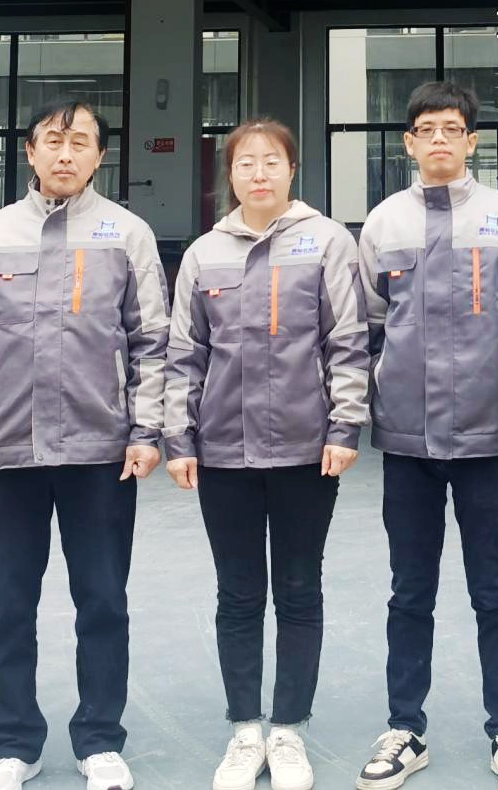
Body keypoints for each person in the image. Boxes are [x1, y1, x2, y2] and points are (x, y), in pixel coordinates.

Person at [0, 99, 168, 790]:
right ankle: (14, 742)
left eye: (81, 142)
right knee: (9, 603)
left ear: (100, 156)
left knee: (103, 600)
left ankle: (99, 739)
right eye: (53, 141)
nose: (66, 154)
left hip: (101, 452)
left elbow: (152, 342)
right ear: (30, 151)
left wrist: (146, 429)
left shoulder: (126, 235)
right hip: (9, 450)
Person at [164, 118, 370, 790]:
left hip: (306, 450)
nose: (258, 172)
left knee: (299, 587)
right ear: (229, 174)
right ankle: (244, 729)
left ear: (291, 170)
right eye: (245, 162)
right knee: (238, 592)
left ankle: (288, 729)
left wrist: (344, 426)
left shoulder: (327, 241)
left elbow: (347, 342)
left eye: (271, 160)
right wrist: (178, 437)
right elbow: (184, 354)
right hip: (223, 451)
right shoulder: (204, 253)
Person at [353, 82, 498, 790]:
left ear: (472, 140)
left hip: (487, 436)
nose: (439, 139)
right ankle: (405, 726)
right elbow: (370, 323)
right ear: (408, 141)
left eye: (452, 128)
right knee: (410, 590)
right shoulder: (383, 223)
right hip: (406, 439)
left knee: (495, 589)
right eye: (426, 128)